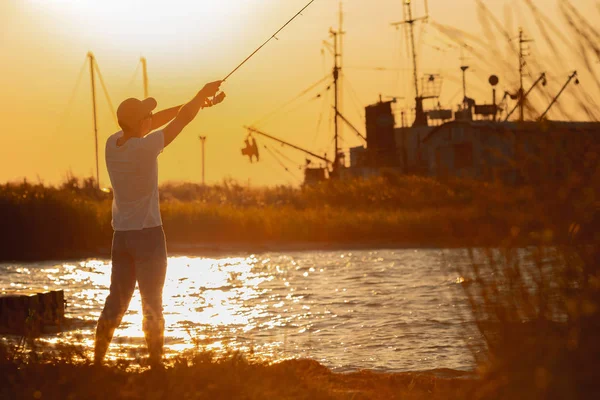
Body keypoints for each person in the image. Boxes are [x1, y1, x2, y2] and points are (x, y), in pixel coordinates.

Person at [94, 80, 225, 367]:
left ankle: (96, 363)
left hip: (122, 237)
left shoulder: (112, 145)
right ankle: (155, 367)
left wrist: (198, 103)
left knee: (115, 302)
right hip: (149, 236)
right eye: (146, 116)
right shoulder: (146, 147)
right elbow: (181, 121)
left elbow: (168, 117)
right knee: (152, 304)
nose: (151, 119)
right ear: (140, 123)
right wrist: (201, 94)